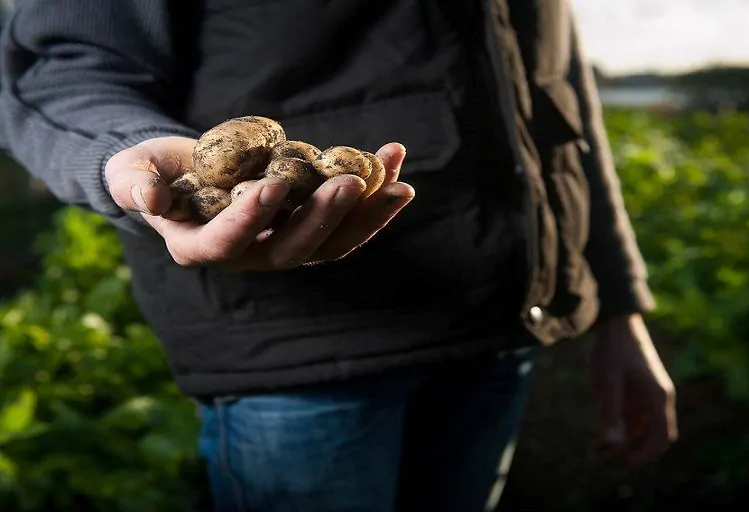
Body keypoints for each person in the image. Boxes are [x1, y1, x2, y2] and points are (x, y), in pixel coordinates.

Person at [0, 1, 677, 511]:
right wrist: (131, 155)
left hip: (497, 332)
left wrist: (618, 301)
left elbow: (555, 93)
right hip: (300, 350)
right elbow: (63, 69)